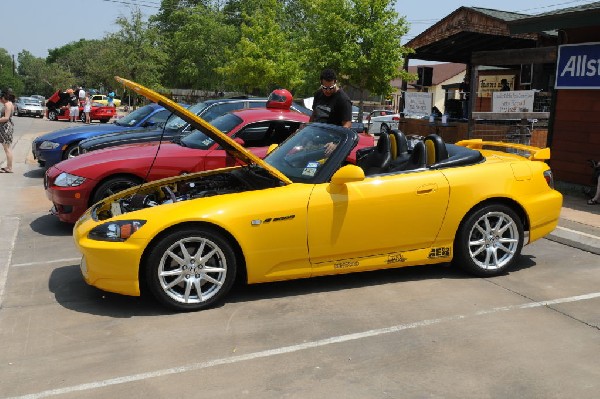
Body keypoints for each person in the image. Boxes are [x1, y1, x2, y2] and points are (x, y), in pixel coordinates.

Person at [0, 90, 15, 173]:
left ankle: (9, 168)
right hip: (7, 127)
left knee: (7, 149)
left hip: (5, 128)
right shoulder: (10, 103)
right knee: (8, 148)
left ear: (3, 98)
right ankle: (9, 167)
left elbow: (6, 118)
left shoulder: (7, 105)